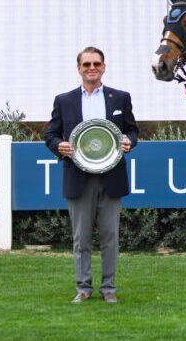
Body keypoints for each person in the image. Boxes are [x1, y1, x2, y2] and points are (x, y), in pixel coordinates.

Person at [44, 47, 139, 304]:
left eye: (96, 63)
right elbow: (50, 135)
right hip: (78, 177)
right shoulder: (64, 100)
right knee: (81, 239)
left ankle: (109, 288)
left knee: (110, 238)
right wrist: (58, 146)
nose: (91, 68)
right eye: (86, 64)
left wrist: (129, 141)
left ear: (104, 67)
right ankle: (83, 288)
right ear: (79, 69)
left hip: (112, 177)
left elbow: (132, 131)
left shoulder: (120, 98)